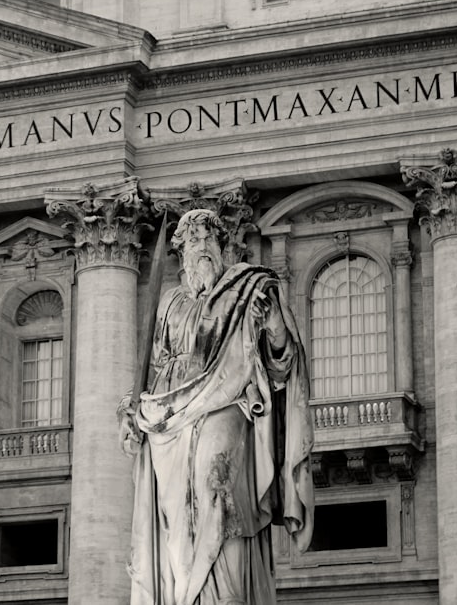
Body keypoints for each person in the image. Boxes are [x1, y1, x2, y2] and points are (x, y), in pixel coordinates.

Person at [118, 209, 314, 605]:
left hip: (227, 404)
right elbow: (154, 367)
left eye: (209, 240)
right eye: (193, 242)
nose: (202, 248)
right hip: (171, 423)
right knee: (177, 519)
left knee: (218, 489)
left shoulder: (249, 291)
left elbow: (282, 365)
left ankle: (224, 595)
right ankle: (187, 594)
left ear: (224, 247)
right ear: (181, 254)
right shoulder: (170, 303)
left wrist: (272, 322)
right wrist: (132, 407)